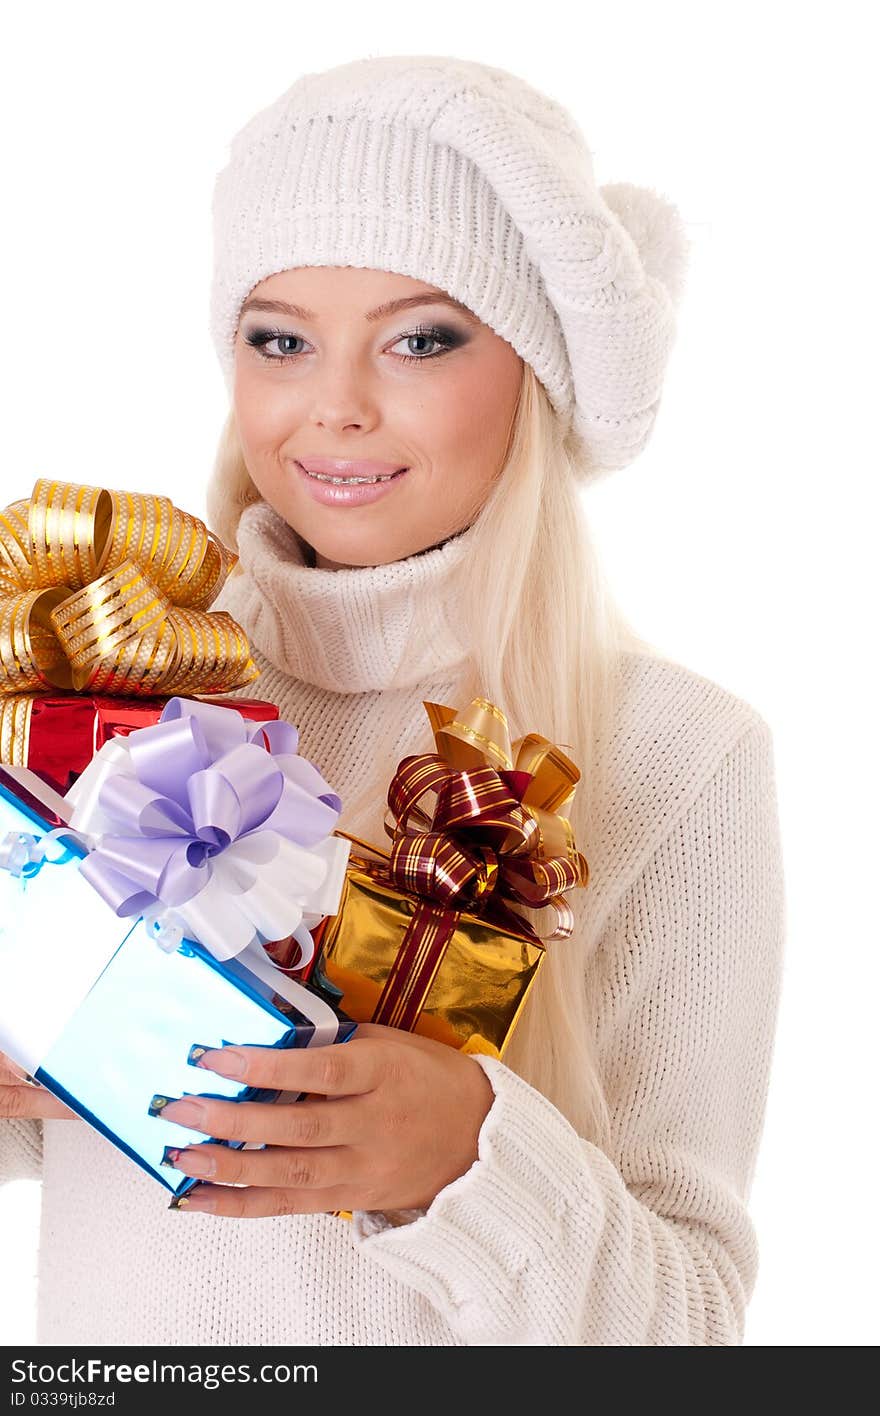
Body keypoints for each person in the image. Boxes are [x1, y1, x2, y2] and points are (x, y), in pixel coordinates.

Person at [0, 54, 786, 1346]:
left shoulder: (676, 753)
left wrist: (470, 1161)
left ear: (537, 375)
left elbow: (688, 1326)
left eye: (422, 339)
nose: (336, 407)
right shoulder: (94, 679)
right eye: (280, 340)